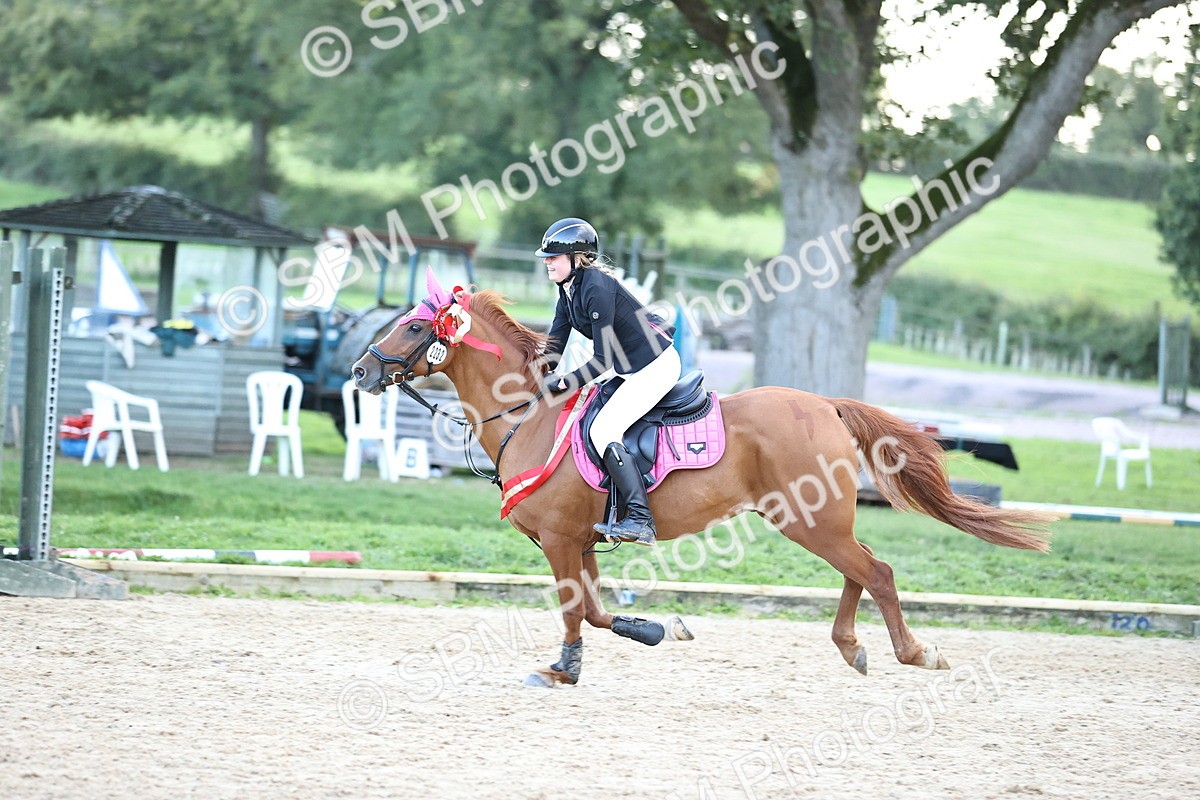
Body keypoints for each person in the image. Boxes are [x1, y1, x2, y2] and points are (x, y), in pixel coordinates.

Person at [537, 217, 681, 546]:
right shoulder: (568, 291)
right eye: (546, 257)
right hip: (631, 367)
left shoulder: (596, 288)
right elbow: (553, 349)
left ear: (577, 259)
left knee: (603, 430)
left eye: (554, 257)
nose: (547, 262)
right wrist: (531, 379)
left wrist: (566, 383)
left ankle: (640, 520)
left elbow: (602, 361)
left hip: (655, 366)